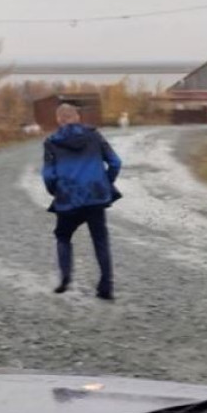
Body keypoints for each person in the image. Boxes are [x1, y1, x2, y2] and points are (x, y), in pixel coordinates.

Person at [42, 104, 122, 299]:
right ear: (77, 117)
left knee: (63, 236)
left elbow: (48, 175)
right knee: (100, 240)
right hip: (95, 196)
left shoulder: (52, 142)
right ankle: (106, 287)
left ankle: (65, 278)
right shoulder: (94, 136)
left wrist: (56, 191)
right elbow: (115, 162)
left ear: (59, 119)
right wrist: (105, 182)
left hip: (68, 198)